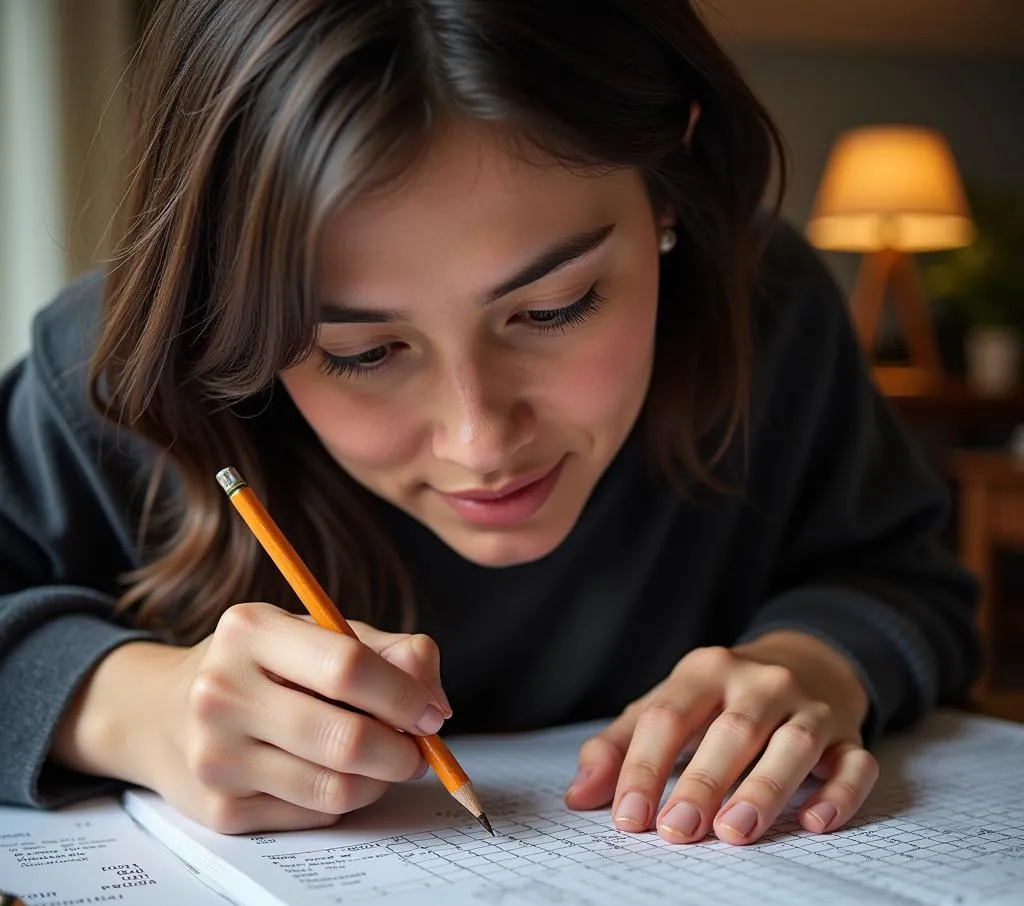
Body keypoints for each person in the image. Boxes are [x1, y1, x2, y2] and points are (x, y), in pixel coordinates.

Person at [0, 0, 979, 848]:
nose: (479, 441)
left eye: (551, 309)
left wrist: (810, 665)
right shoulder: (114, 379)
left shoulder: (768, 311)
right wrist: (130, 707)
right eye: (361, 351)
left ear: (670, 180)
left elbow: (902, 572)